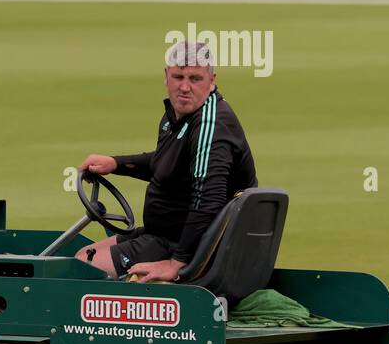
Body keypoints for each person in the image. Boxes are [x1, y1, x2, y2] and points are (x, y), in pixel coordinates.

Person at [77, 39, 258, 281]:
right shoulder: (178, 113)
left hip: (187, 246)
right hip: (163, 236)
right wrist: (116, 163)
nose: (184, 87)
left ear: (212, 80)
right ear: (166, 75)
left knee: (84, 269)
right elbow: (168, 164)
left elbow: (209, 199)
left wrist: (177, 263)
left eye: (195, 79)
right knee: (83, 256)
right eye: (178, 77)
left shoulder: (210, 124)